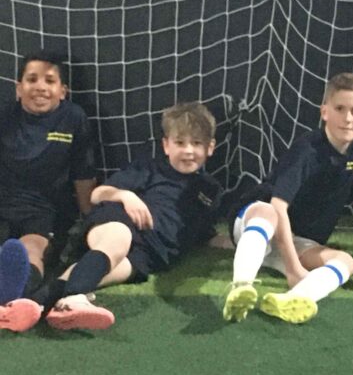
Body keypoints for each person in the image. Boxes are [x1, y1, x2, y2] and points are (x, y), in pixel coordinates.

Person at [0, 101, 222, 333]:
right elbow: (97, 194)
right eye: (180, 143)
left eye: (197, 143)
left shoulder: (210, 189)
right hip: (120, 222)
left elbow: (204, 233)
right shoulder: (149, 169)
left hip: (152, 253)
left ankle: (29, 306)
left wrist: (240, 241)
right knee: (117, 241)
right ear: (166, 145)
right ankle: (76, 297)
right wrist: (125, 196)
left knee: (101, 273)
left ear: (210, 147)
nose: (188, 151)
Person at [220, 72, 353, 325]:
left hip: (299, 240)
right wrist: (293, 268)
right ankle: (241, 286)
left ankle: (296, 298)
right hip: (260, 223)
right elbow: (278, 207)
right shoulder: (307, 150)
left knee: (347, 262)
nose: (348, 118)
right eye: (340, 109)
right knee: (267, 213)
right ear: (324, 111)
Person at [0, 50, 96, 310]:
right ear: (18, 88)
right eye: (32, 79)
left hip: (45, 212)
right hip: (4, 204)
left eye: (49, 81)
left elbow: (83, 173)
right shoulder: (5, 117)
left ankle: (11, 292)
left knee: (31, 249)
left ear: (62, 91)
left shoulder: (74, 118)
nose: (40, 87)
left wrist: (90, 220)